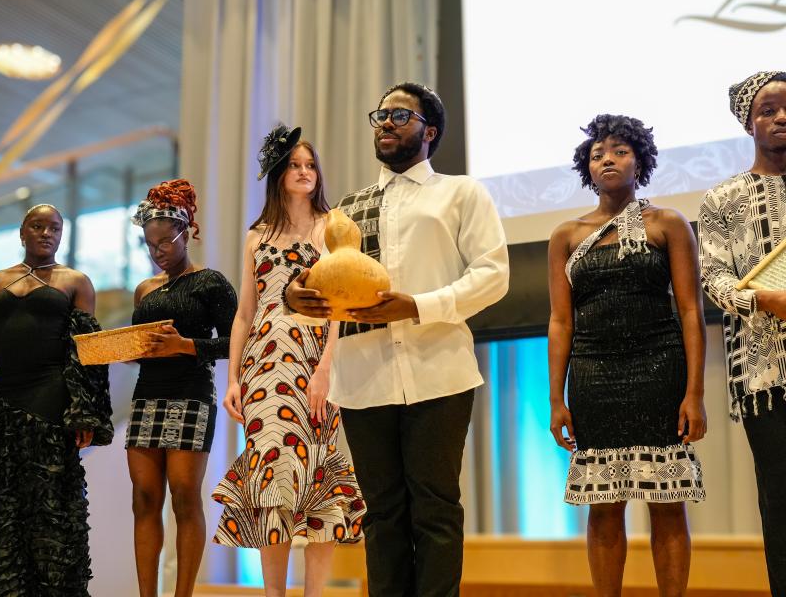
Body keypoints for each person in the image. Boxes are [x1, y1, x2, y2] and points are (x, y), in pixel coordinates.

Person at [286, 83, 509, 596]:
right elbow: (317, 281)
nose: (385, 122)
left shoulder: (460, 193)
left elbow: (494, 274)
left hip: (439, 371)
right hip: (363, 378)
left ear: (429, 131)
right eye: (380, 115)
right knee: (382, 515)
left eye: (400, 115)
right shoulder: (344, 211)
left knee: (435, 510)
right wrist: (298, 297)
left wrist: (418, 306)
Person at [547, 114, 707, 597]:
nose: (607, 160)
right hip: (594, 377)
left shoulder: (669, 223)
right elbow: (560, 322)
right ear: (587, 169)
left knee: (666, 499)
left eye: (618, 151)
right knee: (604, 503)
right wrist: (556, 400)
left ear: (640, 160)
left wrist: (694, 394)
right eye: (597, 154)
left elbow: (690, 311)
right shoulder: (566, 234)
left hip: (660, 371)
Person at [212, 125, 365, 597]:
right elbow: (244, 313)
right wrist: (233, 378)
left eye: (310, 165)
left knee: (318, 476)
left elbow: (341, 303)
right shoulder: (256, 235)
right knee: (270, 477)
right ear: (279, 174)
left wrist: (326, 369)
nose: (304, 172)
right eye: (295, 165)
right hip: (262, 365)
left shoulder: (332, 226)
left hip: (312, 362)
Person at [0, 203, 113, 596]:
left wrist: (85, 413)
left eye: (54, 227)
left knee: (51, 503)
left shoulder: (76, 281)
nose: (46, 233)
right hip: (3, 398)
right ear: (22, 233)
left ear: (62, 234)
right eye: (37, 226)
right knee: (5, 499)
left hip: (51, 398)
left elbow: (87, 353)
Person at [126, 179, 237, 597]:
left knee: (185, 495)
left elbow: (235, 342)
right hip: (146, 396)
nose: (157, 252)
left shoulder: (210, 282)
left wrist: (186, 345)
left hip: (191, 394)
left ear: (186, 232)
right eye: (149, 245)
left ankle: (183, 594)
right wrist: (125, 351)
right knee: (143, 497)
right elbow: (143, 345)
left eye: (164, 243)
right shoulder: (144, 289)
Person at [699, 70, 786, 596]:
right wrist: (768, 299)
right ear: (748, 121)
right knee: (781, 502)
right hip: (766, 373)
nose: (781, 117)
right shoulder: (723, 198)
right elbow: (714, 277)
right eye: (769, 109)